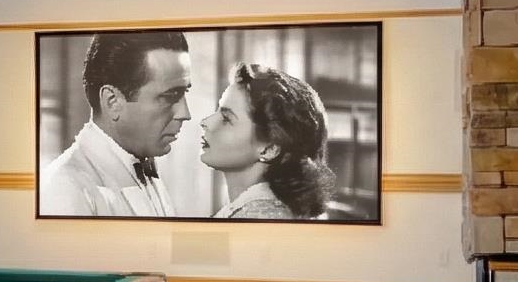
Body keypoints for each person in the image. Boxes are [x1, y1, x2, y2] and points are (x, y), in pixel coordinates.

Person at [41, 31, 192, 217]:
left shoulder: (145, 170)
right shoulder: (65, 189)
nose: (185, 114)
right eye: (170, 96)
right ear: (113, 102)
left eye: (185, 93)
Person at [200, 62, 336, 219]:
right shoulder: (250, 210)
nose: (206, 122)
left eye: (226, 118)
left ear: (269, 149)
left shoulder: (259, 217)